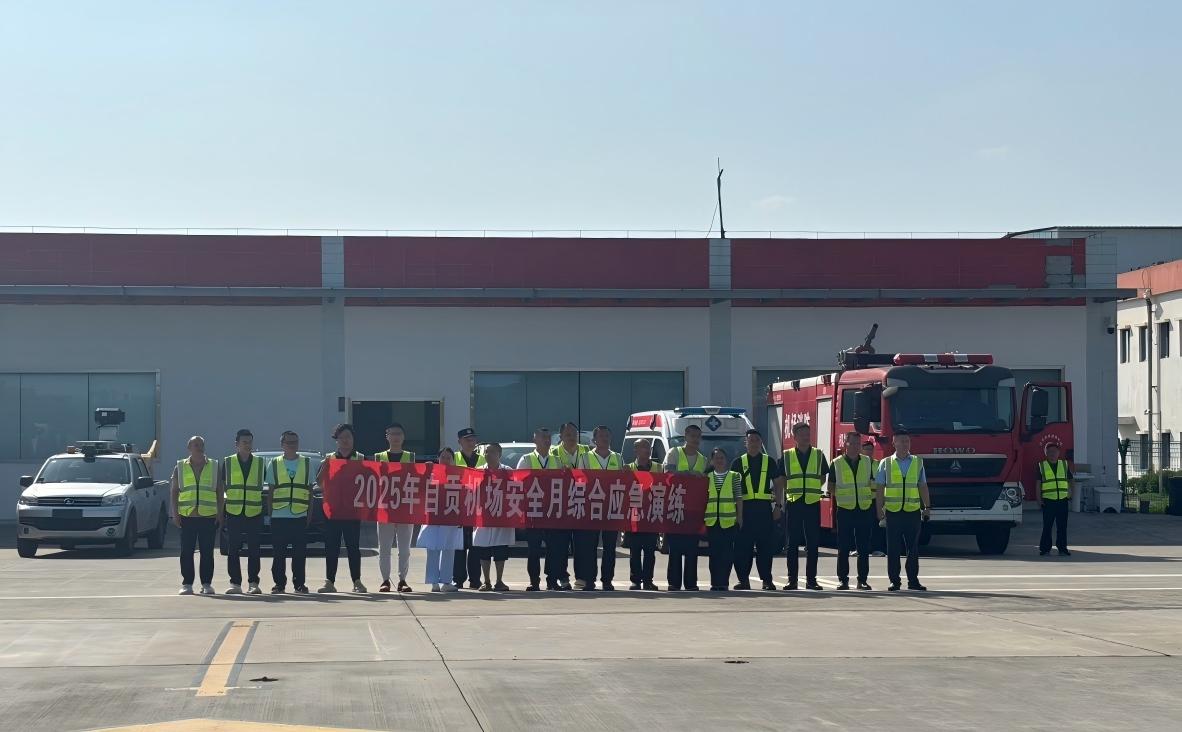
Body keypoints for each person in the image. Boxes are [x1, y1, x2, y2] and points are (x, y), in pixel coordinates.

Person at [876, 432, 931, 591]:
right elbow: (880, 488)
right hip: (893, 512)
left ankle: (913, 581)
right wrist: (879, 510)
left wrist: (927, 507)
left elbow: (923, 486)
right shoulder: (886, 463)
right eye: (901, 441)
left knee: (913, 548)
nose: (905, 444)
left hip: (912, 511)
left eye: (907, 441)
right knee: (893, 548)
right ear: (894, 443)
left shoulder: (917, 462)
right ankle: (894, 581)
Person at [517, 427, 571, 591]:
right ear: (535, 440)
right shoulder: (526, 460)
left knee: (553, 549)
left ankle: (552, 580)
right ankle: (534, 581)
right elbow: (518, 484)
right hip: (533, 511)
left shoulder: (558, 461)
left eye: (548, 438)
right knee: (533, 549)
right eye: (543, 437)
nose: (547, 441)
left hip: (552, 512)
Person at [316, 423, 366, 594]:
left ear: (353, 439)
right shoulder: (329, 458)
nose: (345, 440)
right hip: (333, 511)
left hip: (352, 511)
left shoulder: (360, 458)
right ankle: (329, 581)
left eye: (348, 437)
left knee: (353, 547)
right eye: (342, 437)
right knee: (332, 547)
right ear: (336, 440)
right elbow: (319, 482)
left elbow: (369, 482)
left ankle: (357, 581)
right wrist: (325, 466)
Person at [778, 422, 828, 591]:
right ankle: (792, 580)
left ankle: (811, 580)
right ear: (795, 437)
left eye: (808, 434)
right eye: (802, 434)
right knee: (792, 544)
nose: (806, 437)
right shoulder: (787, 455)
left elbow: (823, 477)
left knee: (813, 543)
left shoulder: (818, 454)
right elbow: (782, 478)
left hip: (812, 503)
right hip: (794, 502)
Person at [731, 429, 781, 591]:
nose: (753, 443)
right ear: (745, 443)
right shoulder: (738, 462)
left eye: (756, 440)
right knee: (742, 548)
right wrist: (736, 513)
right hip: (744, 511)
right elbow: (733, 488)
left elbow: (778, 484)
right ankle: (743, 580)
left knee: (765, 548)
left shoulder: (769, 461)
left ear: (761, 443)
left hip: (764, 510)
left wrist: (778, 506)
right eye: (750, 440)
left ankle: (767, 580)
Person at [576, 425, 623, 591]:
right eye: (601, 436)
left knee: (610, 547)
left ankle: (607, 580)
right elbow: (580, 481)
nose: (605, 439)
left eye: (607, 436)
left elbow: (623, 481)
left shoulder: (618, 457)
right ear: (594, 439)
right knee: (590, 547)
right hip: (592, 507)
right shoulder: (585, 457)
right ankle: (589, 580)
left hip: (612, 507)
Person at [171, 435, 219, 595]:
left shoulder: (213, 466)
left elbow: (220, 491)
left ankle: (206, 584)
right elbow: (174, 491)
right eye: (196, 445)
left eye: (201, 445)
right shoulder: (180, 467)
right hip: (187, 516)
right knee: (186, 552)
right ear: (189, 448)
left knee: (207, 552)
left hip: (208, 516)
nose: (199, 447)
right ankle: (187, 583)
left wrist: (220, 512)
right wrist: (175, 513)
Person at [219, 429, 264, 595]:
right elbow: (222, 489)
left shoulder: (260, 462)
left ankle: (253, 582)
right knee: (233, 549)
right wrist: (220, 512)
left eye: (250, 442)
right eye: (244, 442)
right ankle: (235, 583)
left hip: (254, 511)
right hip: (234, 511)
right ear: (236, 444)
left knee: (254, 549)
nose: (248, 445)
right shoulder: (228, 462)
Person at [663, 424, 708, 591]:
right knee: (675, 548)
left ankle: (691, 583)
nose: (695, 439)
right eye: (692, 436)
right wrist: (689, 475)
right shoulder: (674, 453)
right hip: (675, 507)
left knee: (692, 549)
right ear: (686, 436)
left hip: (693, 510)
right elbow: (668, 474)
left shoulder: (703, 459)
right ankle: (674, 583)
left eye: (698, 436)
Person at [267, 431, 312, 594]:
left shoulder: (306, 463)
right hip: (279, 516)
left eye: (295, 442)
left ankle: (299, 584)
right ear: (282, 445)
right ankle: (279, 584)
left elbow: (310, 491)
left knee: (299, 554)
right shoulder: (274, 463)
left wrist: (309, 514)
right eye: (289, 442)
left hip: (299, 516)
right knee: (279, 554)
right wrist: (270, 514)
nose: (292, 445)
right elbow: (271, 492)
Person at [831, 431, 876, 590]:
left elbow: (873, 483)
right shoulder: (836, 463)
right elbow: (831, 486)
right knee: (843, 547)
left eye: (858, 444)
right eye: (853, 443)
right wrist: (844, 496)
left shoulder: (868, 462)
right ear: (846, 444)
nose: (856, 446)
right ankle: (843, 580)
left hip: (864, 509)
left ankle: (862, 580)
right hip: (845, 510)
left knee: (863, 547)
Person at [374, 423, 416, 593]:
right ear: (387, 436)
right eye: (392, 434)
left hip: (405, 508)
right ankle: (385, 580)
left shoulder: (411, 457)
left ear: (403, 437)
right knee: (384, 548)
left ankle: (402, 580)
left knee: (404, 549)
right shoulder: (378, 457)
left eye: (399, 434)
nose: (396, 437)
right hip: (384, 508)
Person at [418, 447, 463, 592]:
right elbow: (420, 487)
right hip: (433, 515)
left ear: (453, 460)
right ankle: (433, 582)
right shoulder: (431, 473)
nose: (445, 460)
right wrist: (426, 471)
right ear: (438, 458)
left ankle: (446, 582)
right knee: (433, 548)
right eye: (443, 457)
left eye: (448, 458)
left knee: (449, 549)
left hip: (451, 515)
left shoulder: (458, 475)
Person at [549, 422, 587, 587]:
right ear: (561, 436)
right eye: (568, 434)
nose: (572, 437)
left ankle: (582, 577)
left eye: (574, 434)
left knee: (582, 544)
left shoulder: (586, 450)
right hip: (561, 504)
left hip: (582, 503)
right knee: (561, 545)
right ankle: (562, 577)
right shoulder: (553, 452)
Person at [473, 443, 514, 591]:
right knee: (484, 550)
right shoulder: (478, 471)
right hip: (483, 516)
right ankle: (487, 581)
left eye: (492, 452)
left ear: (499, 455)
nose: (488, 455)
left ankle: (499, 581)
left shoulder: (507, 471)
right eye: (486, 452)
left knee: (500, 550)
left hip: (501, 517)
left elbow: (515, 491)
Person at [705, 448, 743, 592]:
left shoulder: (734, 476)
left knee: (726, 554)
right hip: (712, 521)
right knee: (714, 554)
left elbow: (738, 498)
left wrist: (740, 517)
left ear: (726, 460)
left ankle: (724, 582)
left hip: (729, 521)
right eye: (716, 458)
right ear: (712, 461)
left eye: (722, 458)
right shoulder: (707, 477)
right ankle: (715, 583)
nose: (719, 460)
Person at [453, 427, 486, 589]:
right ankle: (458, 578)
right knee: (458, 545)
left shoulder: (482, 459)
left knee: (475, 545)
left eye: (473, 439)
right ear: (459, 442)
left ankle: (475, 579)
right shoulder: (454, 458)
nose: (470, 442)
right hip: (458, 507)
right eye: (467, 440)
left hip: (477, 508)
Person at [626, 438, 661, 591]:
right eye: (643, 447)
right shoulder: (628, 468)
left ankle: (648, 580)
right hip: (634, 515)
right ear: (635, 450)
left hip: (652, 515)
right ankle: (635, 581)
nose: (647, 450)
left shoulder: (659, 468)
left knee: (650, 552)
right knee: (634, 551)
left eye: (648, 447)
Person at [1038, 442, 1074, 557]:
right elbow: (1038, 484)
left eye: (1054, 451)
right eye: (1050, 452)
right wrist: (1039, 499)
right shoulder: (1041, 466)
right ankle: (1045, 549)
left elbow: (1071, 479)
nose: (1052, 454)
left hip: (1062, 500)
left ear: (1058, 453)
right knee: (1047, 526)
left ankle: (1062, 549)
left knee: (1062, 526)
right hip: (1048, 501)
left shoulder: (1064, 464)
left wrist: (1071, 492)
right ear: (1046, 453)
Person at [864, 438, 887, 558]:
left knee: (876, 525)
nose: (869, 451)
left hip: (875, 499)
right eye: (866, 449)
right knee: (862, 525)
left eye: (870, 449)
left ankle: (876, 549)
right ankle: (860, 548)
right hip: (862, 499)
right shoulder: (860, 464)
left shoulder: (878, 464)